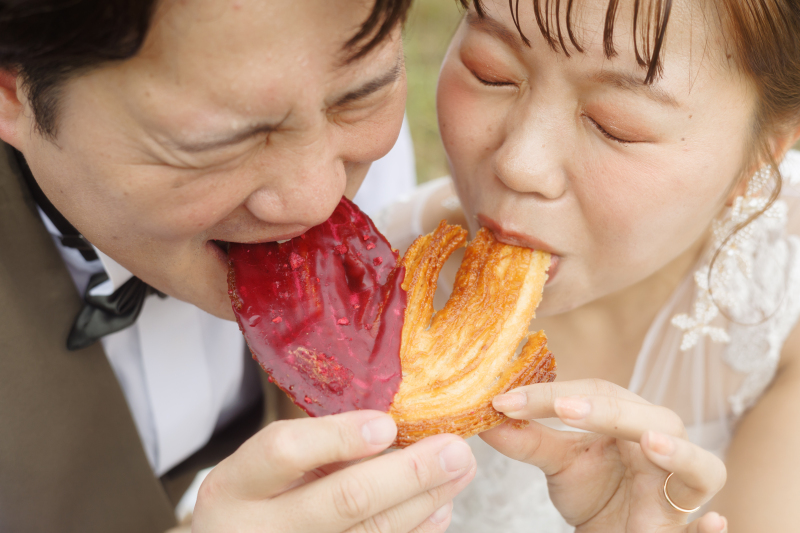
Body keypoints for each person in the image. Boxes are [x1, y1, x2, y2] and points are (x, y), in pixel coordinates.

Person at [0, 1, 476, 531]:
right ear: (11, 89)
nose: (318, 200)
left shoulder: (319, 96)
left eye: (360, 97)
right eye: (223, 143)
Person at [377, 0, 800, 531]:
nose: (519, 164)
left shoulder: (786, 298)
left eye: (615, 126)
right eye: (491, 71)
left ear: (763, 154)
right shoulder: (365, 292)